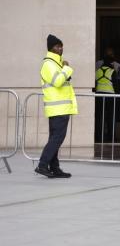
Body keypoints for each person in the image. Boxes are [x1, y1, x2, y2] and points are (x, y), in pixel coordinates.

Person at [38, 34, 75, 178]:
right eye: (57, 46)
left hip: (61, 108)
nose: (60, 48)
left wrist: (64, 68)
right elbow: (58, 81)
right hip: (57, 108)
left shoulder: (56, 63)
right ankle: (42, 165)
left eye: (61, 46)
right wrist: (66, 68)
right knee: (57, 138)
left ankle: (54, 167)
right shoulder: (48, 64)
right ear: (51, 48)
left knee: (55, 138)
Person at [94, 47, 120, 143]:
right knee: (111, 117)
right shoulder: (115, 68)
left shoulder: (98, 68)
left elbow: (94, 80)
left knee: (99, 117)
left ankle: (99, 137)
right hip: (110, 95)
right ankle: (111, 138)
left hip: (99, 95)